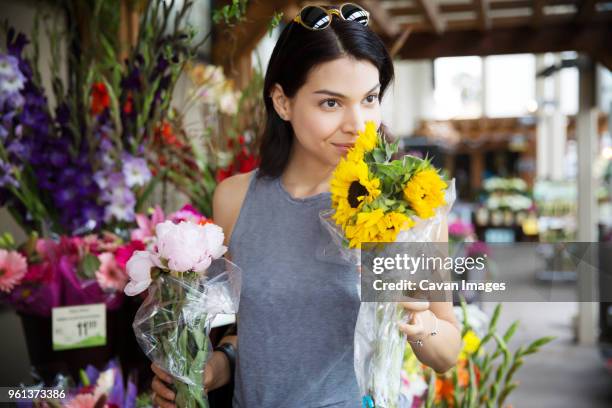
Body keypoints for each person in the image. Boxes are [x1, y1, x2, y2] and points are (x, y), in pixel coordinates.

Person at [151, 4, 461, 407]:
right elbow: (251, 332)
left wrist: (417, 319)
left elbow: (447, 352)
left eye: (369, 99)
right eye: (331, 103)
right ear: (282, 102)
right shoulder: (234, 199)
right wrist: (212, 369)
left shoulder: (405, 207)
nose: (357, 123)